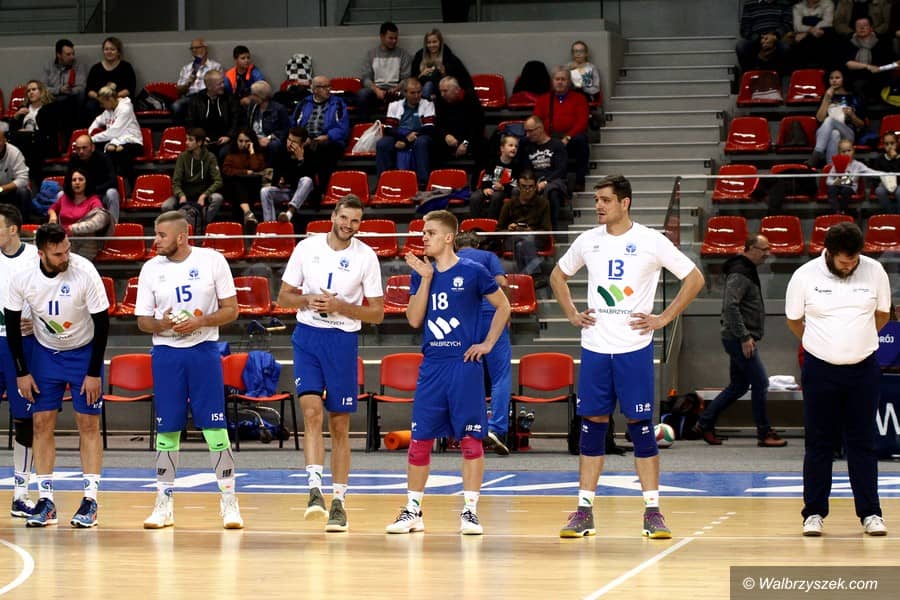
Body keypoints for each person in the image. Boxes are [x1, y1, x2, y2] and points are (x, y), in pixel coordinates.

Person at [549, 174, 704, 539]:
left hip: (633, 349)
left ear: (625, 202)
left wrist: (664, 318)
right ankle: (583, 511)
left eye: (605, 200)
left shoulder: (651, 240)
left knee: (641, 428)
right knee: (592, 426)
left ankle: (653, 512)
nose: (598, 206)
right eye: (596, 200)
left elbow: (694, 278)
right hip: (595, 347)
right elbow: (557, 276)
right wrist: (572, 313)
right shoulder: (588, 240)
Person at [386, 210, 511, 535]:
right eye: (423, 232)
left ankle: (470, 512)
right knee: (420, 439)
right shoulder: (422, 273)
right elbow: (414, 319)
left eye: (430, 232)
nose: (423, 237)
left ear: (448, 237)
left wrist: (487, 343)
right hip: (433, 366)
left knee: (471, 440)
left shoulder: (473, 271)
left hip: (464, 365)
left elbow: (504, 306)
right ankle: (413, 511)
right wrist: (426, 278)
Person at [276, 195, 384, 532]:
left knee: (339, 425)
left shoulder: (366, 256)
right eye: (344, 218)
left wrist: (340, 307)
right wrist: (307, 299)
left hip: (342, 341)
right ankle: (314, 491)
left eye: (355, 221)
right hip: (308, 337)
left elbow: (377, 313)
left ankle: (339, 502)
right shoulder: (306, 248)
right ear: (334, 216)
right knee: (311, 412)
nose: (348, 225)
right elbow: (283, 297)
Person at [134, 210, 243, 530]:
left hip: (204, 351)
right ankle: (164, 503)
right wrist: (163, 324)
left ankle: (229, 501)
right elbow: (142, 321)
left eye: (161, 235)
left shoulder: (212, 260)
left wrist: (200, 321)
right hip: (166, 353)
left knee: (215, 427)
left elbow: (232, 310)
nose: (155, 241)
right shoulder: (151, 268)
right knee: (167, 428)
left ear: (181, 237)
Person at [785, 221, 889, 537]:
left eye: (854, 260)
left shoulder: (875, 271)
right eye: (844, 261)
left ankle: (870, 513)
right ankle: (814, 513)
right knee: (819, 442)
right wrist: (822, 343)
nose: (850, 265)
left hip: (864, 369)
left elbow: (882, 315)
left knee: (863, 442)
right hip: (820, 369)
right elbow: (794, 320)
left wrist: (856, 340)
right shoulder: (804, 275)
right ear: (828, 253)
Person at [4, 223, 110, 528]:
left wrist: (94, 372)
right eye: (58, 253)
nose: (66, 257)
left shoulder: (84, 271)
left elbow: (102, 323)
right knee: (40, 423)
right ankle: (46, 501)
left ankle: (90, 500)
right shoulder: (22, 277)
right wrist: (22, 372)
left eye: (67, 250)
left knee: (87, 424)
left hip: (83, 352)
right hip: (46, 354)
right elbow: (12, 325)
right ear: (42, 254)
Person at [695, 234, 787, 447]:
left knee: (738, 386)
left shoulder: (746, 269)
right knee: (760, 383)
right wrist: (744, 336)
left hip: (739, 337)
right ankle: (764, 432)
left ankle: (705, 422)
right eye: (764, 249)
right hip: (739, 339)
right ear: (750, 248)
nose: (768, 254)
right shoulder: (740, 272)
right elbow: (730, 306)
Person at [455, 231, 511, 455]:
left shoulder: (450, 259)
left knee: (464, 375)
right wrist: (506, 314)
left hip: (462, 321)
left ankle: (466, 428)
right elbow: (501, 282)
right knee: (500, 376)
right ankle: (496, 428)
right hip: (490, 316)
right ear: (476, 244)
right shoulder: (487, 257)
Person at [0, 205, 39, 519]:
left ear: (13, 229)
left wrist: (37, 321)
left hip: (24, 345)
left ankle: (21, 492)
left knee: (25, 420)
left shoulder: (36, 257)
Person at [535, 67, 590, 193]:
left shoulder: (579, 98)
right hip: (549, 137)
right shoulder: (543, 99)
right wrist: (546, 138)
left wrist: (568, 137)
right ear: (552, 81)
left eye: (563, 79)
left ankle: (579, 181)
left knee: (581, 140)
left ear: (569, 82)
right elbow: (537, 121)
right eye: (557, 79)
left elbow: (582, 121)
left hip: (571, 138)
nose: (560, 82)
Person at [293, 75, 350, 191]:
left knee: (319, 149)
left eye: (329, 86)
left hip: (329, 140)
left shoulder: (338, 104)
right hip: (307, 139)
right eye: (324, 87)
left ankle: (320, 189)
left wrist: (328, 136)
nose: (328, 89)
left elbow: (343, 128)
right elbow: (294, 123)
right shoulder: (304, 103)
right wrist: (302, 138)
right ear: (314, 89)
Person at [376, 78, 435, 187]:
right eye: (413, 93)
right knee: (382, 144)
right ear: (405, 93)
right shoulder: (394, 105)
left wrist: (408, 140)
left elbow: (429, 128)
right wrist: (403, 139)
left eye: (419, 92)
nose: (416, 96)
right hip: (400, 135)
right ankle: (383, 182)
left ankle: (423, 182)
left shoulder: (428, 104)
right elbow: (389, 129)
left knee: (422, 142)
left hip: (419, 135)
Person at [161, 128, 225, 229]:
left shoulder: (210, 157)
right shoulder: (182, 157)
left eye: (190, 140)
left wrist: (204, 195)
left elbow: (218, 181)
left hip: (203, 195)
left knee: (217, 198)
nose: (186, 142)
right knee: (166, 206)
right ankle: (180, 227)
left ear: (199, 142)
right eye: (186, 139)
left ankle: (202, 224)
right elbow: (176, 182)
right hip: (185, 195)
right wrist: (181, 195)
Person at [497, 170, 552, 285]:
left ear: (536, 187)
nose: (527, 190)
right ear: (518, 186)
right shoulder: (509, 204)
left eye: (531, 187)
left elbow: (546, 231)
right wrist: (509, 229)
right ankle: (535, 277)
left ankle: (525, 278)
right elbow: (498, 231)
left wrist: (531, 231)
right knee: (523, 241)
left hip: (535, 239)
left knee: (524, 243)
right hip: (512, 238)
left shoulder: (543, 204)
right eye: (524, 187)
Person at [517, 115, 567, 232]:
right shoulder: (527, 146)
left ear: (540, 129)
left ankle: (552, 232)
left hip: (553, 180)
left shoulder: (557, 145)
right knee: (517, 191)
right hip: (532, 181)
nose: (527, 135)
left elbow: (561, 169)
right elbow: (525, 169)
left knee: (552, 192)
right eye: (526, 131)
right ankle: (522, 227)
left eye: (530, 131)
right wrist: (532, 183)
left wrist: (545, 182)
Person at [807, 69, 865, 167]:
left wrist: (852, 115)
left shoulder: (853, 97)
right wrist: (826, 98)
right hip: (826, 135)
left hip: (847, 134)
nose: (834, 80)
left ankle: (817, 153)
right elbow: (820, 119)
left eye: (837, 78)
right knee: (834, 133)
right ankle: (832, 167)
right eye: (831, 78)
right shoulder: (826, 96)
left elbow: (861, 125)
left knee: (830, 120)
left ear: (844, 79)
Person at [88, 83, 143, 187]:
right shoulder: (108, 110)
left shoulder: (125, 108)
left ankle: (132, 186)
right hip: (115, 142)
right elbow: (97, 121)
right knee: (100, 150)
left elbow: (113, 132)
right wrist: (90, 133)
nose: (101, 106)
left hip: (133, 142)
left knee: (120, 151)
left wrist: (91, 139)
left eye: (102, 103)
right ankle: (109, 185)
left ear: (110, 99)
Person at [261, 126, 319, 223]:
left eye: (294, 142)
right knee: (265, 191)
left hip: (304, 194)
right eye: (289, 140)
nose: (289, 144)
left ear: (302, 144)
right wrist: (279, 182)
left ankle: (289, 213)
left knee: (307, 180)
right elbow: (276, 177)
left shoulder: (310, 154)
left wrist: (300, 160)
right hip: (288, 191)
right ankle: (269, 225)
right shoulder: (281, 152)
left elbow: (310, 181)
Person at [8, 80, 59, 189]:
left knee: (31, 139)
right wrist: (16, 116)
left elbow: (49, 131)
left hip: (43, 142)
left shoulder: (50, 108)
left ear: (41, 91)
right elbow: (12, 131)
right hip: (23, 143)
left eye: (34, 89)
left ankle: (29, 182)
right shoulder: (23, 109)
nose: (31, 92)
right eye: (28, 91)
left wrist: (31, 133)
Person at [357, 21, 412, 121]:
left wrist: (395, 89)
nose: (394, 41)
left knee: (409, 93)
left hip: (396, 90)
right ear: (382, 37)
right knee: (362, 94)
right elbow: (365, 78)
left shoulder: (403, 54)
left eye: (396, 38)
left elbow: (406, 79)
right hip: (376, 90)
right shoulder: (371, 54)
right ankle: (364, 126)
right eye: (390, 38)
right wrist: (376, 90)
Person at [185, 70, 239, 161]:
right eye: (219, 84)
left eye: (223, 82)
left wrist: (229, 136)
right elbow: (190, 123)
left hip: (226, 140)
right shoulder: (196, 100)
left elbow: (236, 120)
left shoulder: (230, 98)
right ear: (209, 86)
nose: (223, 85)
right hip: (204, 140)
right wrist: (201, 138)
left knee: (224, 152)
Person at [67, 135, 121, 225]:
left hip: (101, 194)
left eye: (84, 148)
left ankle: (112, 227)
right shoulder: (74, 159)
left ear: (92, 148)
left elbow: (113, 181)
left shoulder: (104, 158)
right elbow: (67, 182)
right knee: (60, 195)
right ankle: (63, 230)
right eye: (78, 149)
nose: (81, 151)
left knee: (112, 193)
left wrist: (93, 190)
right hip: (81, 195)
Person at [434, 76, 484, 167]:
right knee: (433, 144)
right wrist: (446, 135)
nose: (442, 94)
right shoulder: (440, 101)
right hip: (450, 139)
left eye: (445, 91)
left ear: (456, 90)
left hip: (469, 139)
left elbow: (477, 126)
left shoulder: (471, 99)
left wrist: (465, 143)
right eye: (441, 91)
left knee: (482, 145)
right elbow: (438, 124)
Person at [825, 138, 885, 213]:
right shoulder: (836, 165)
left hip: (850, 188)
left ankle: (843, 211)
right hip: (837, 186)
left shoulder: (858, 165)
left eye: (849, 150)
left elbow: (872, 172)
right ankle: (836, 212)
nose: (846, 153)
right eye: (843, 151)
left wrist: (887, 174)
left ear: (853, 151)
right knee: (831, 189)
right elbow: (828, 181)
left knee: (845, 191)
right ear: (839, 153)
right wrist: (834, 182)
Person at [411, 29, 474, 100]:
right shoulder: (419, 56)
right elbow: (413, 79)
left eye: (434, 42)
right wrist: (421, 74)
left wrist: (444, 73)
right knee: (428, 85)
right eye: (429, 42)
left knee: (430, 85)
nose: (432, 45)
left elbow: (458, 79)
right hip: (421, 89)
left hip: (441, 90)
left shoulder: (449, 58)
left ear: (440, 42)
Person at [222, 128, 265, 230]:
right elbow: (226, 171)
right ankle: (248, 213)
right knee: (237, 182)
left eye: (247, 141)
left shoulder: (257, 155)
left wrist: (252, 152)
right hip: (234, 191)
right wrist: (244, 172)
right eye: (240, 141)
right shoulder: (231, 155)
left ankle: (248, 214)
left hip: (252, 190)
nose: (243, 144)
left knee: (241, 186)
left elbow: (256, 168)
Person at [469, 133, 519, 220]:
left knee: (496, 196)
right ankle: (474, 223)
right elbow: (486, 177)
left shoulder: (516, 166)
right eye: (510, 145)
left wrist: (503, 188)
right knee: (475, 197)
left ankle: (491, 222)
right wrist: (486, 188)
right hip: (489, 188)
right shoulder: (492, 162)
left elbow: (514, 184)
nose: (514, 148)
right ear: (502, 148)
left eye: (516, 146)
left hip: (503, 192)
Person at [42, 38, 87, 132]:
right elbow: (42, 87)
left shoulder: (78, 65)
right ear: (58, 55)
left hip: (71, 99)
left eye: (73, 53)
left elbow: (81, 87)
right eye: (68, 54)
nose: (72, 57)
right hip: (53, 99)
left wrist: (69, 90)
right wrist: (59, 90)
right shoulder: (48, 66)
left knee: (79, 97)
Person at [85, 36, 137, 117]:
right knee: (90, 106)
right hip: (99, 101)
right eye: (106, 49)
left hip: (119, 99)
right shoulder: (95, 68)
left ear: (118, 52)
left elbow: (130, 89)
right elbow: (89, 90)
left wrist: (113, 97)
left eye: (112, 49)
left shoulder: (126, 67)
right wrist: (101, 98)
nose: (109, 52)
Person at [174, 38, 222, 118]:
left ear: (205, 49)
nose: (194, 50)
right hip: (190, 97)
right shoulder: (186, 68)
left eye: (197, 48)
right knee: (176, 106)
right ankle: (181, 126)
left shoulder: (215, 66)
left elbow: (220, 87)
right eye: (192, 48)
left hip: (207, 97)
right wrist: (188, 83)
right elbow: (179, 91)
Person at [244, 80, 290, 163]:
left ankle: (269, 167)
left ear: (260, 96)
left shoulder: (279, 109)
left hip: (270, 138)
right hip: (254, 136)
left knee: (274, 145)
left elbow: (285, 129)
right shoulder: (252, 106)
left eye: (253, 95)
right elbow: (247, 125)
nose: (251, 97)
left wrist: (269, 138)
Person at [0, 130, 33, 220]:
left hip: (11, 192)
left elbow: (23, 179)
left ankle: (25, 223)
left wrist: (2, 188)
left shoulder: (14, 152)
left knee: (23, 191)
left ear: (4, 140)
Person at [867, 131, 900, 213]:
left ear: (897, 143)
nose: (889, 146)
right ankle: (891, 212)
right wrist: (879, 183)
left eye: (892, 143)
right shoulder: (880, 159)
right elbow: (875, 175)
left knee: (899, 192)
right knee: (879, 191)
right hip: (884, 185)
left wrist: (895, 158)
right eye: (886, 144)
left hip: (898, 184)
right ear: (883, 145)